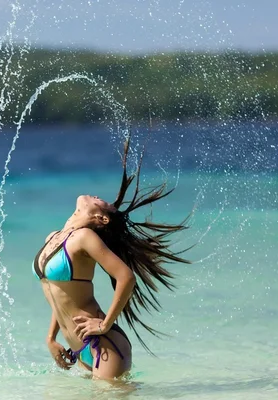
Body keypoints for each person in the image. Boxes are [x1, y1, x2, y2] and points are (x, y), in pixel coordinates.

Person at [32, 135, 191, 381]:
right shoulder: (53, 237)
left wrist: (105, 324)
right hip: (78, 348)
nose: (96, 195)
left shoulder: (84, 237)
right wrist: (50, 338)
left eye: (101, 201)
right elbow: (58, 293)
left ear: (102, 219)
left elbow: (126, 276)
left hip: (103, 344)